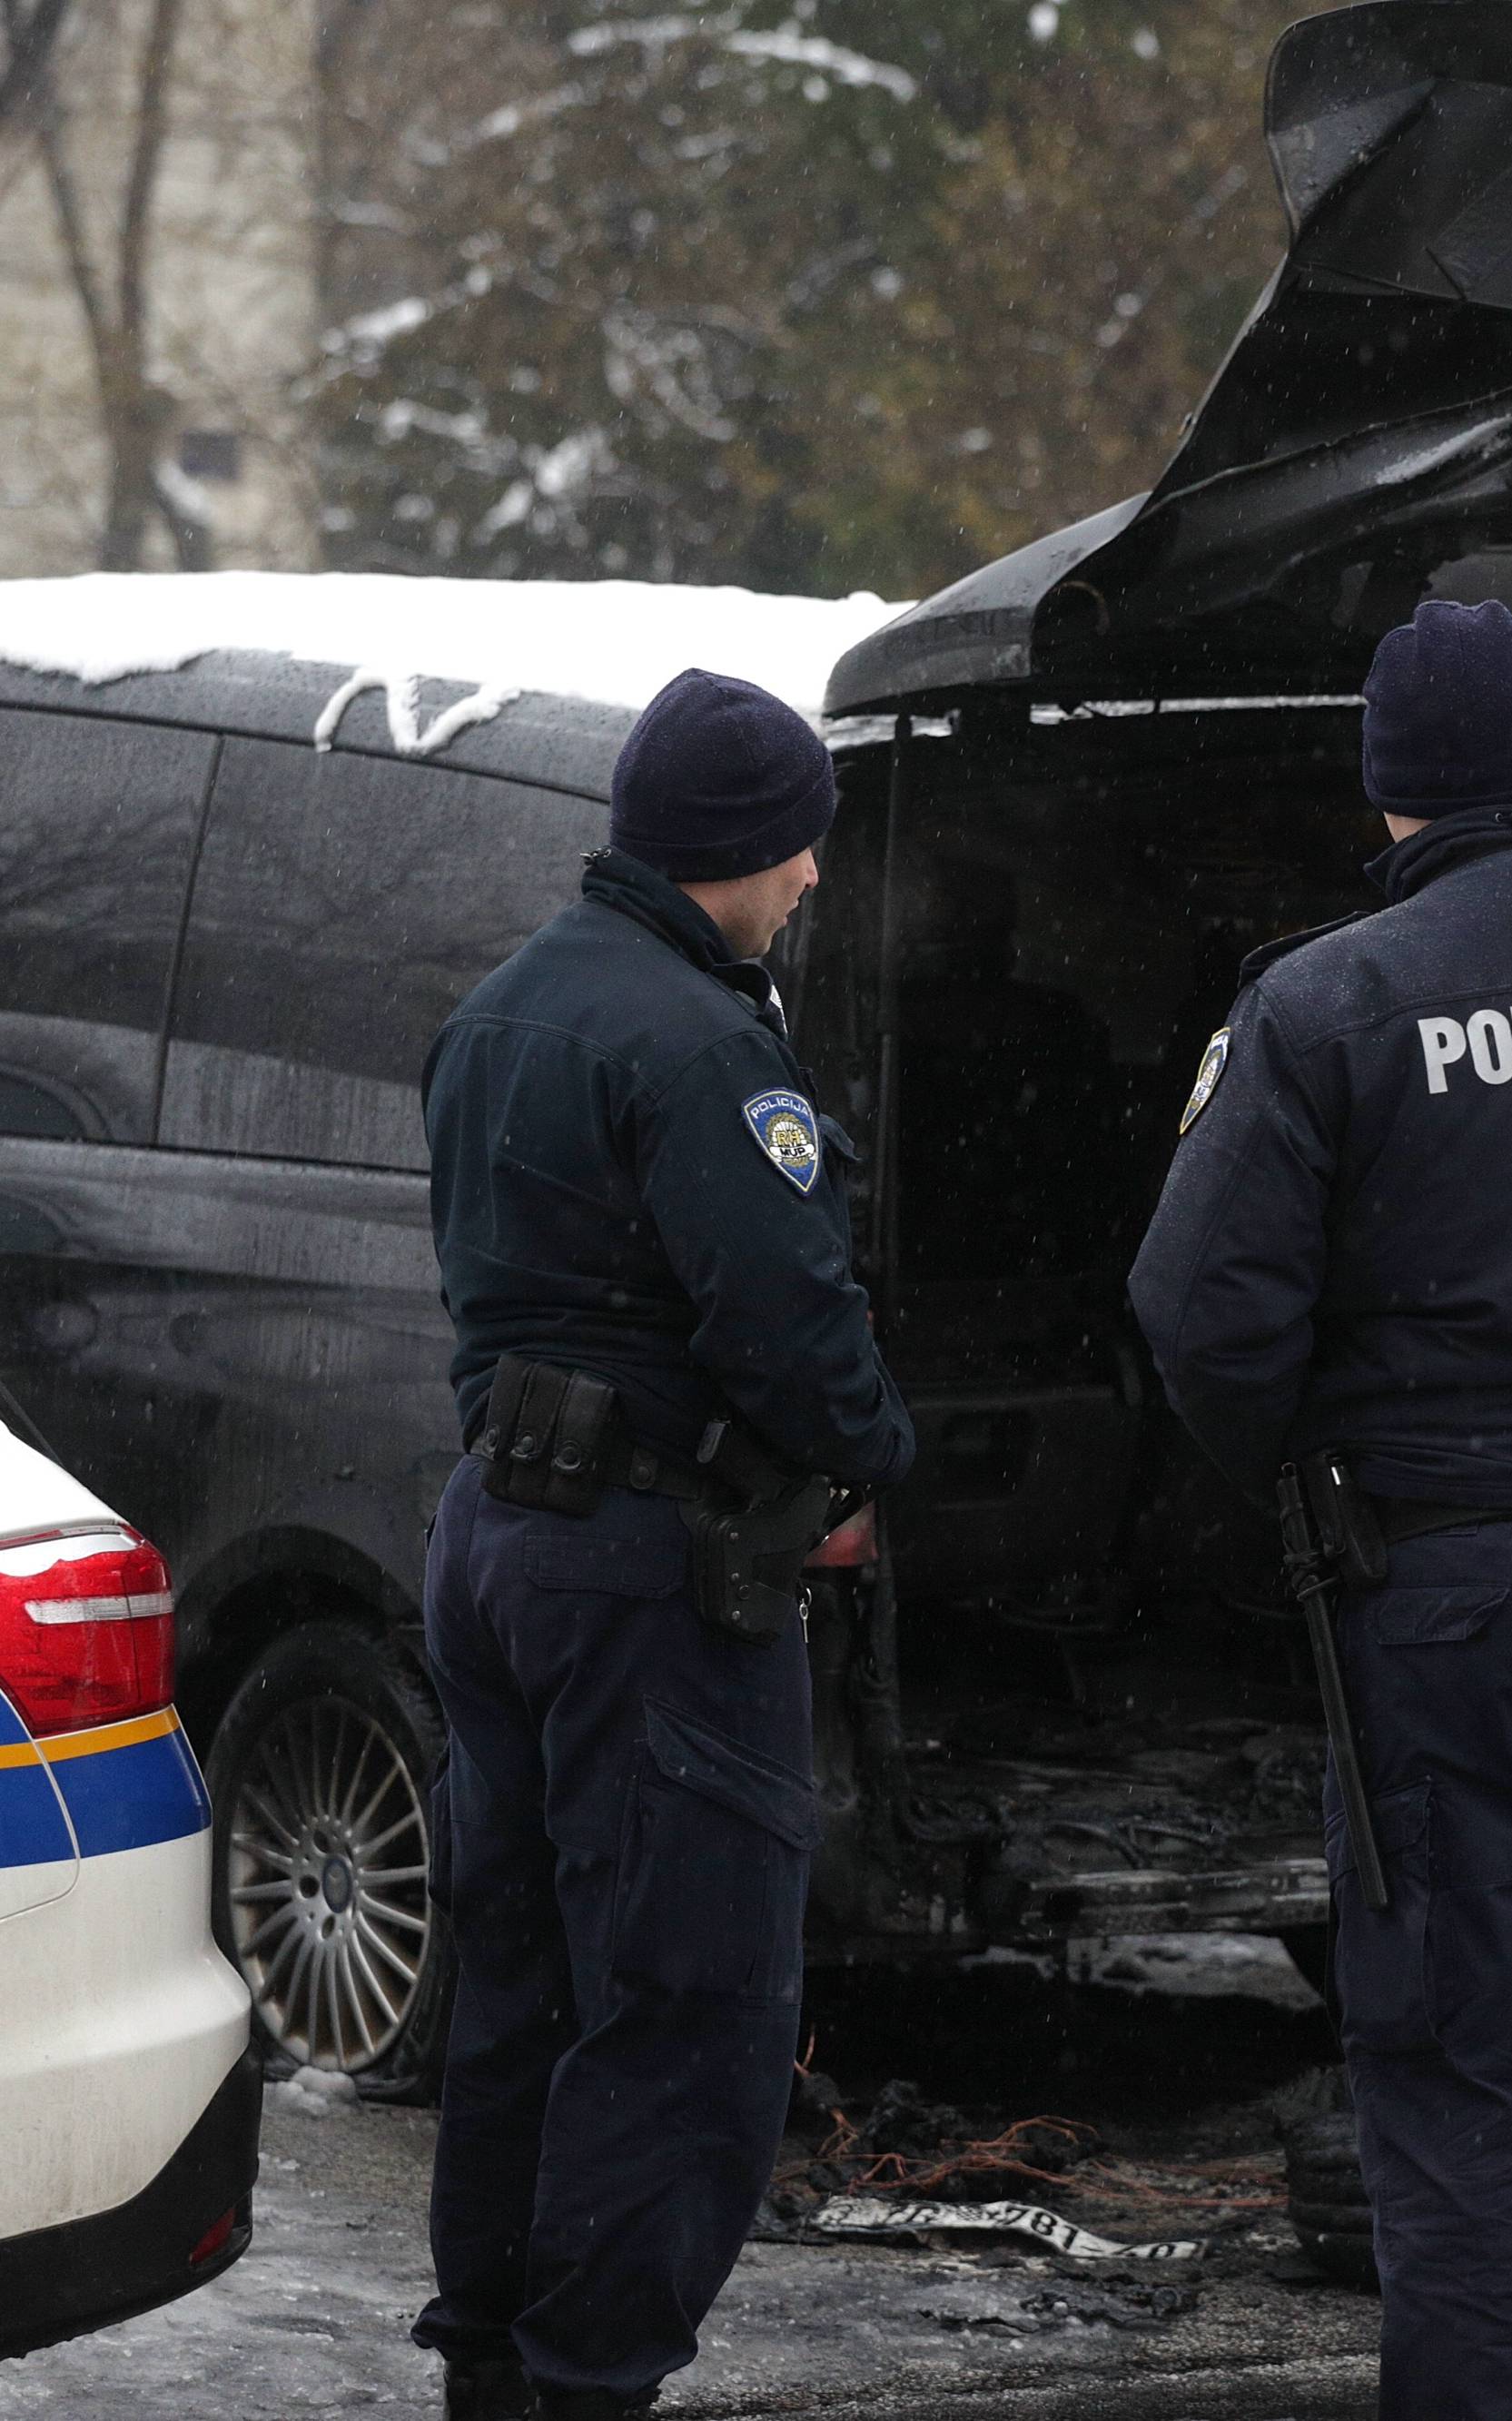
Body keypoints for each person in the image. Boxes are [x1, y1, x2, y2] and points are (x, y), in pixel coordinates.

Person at [1127, 598, 1512, 2420]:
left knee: (1461, 2076)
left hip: (1453, 1604)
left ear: (1386, 791)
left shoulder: (1324, 1003)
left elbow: (1200, 1314)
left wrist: (1331, 1474)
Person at [412, 667, 914, 2421]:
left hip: (496, 1538)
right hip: (648, 1568)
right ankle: (589, 2377)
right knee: (689, 2000)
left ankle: (493, 2353)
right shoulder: (703, 1042)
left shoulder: (500, 1010)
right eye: (803, 851)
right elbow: (789, 1322)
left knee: (525, 1982)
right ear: (742, 848)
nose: (815, 883)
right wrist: (875, 1452)